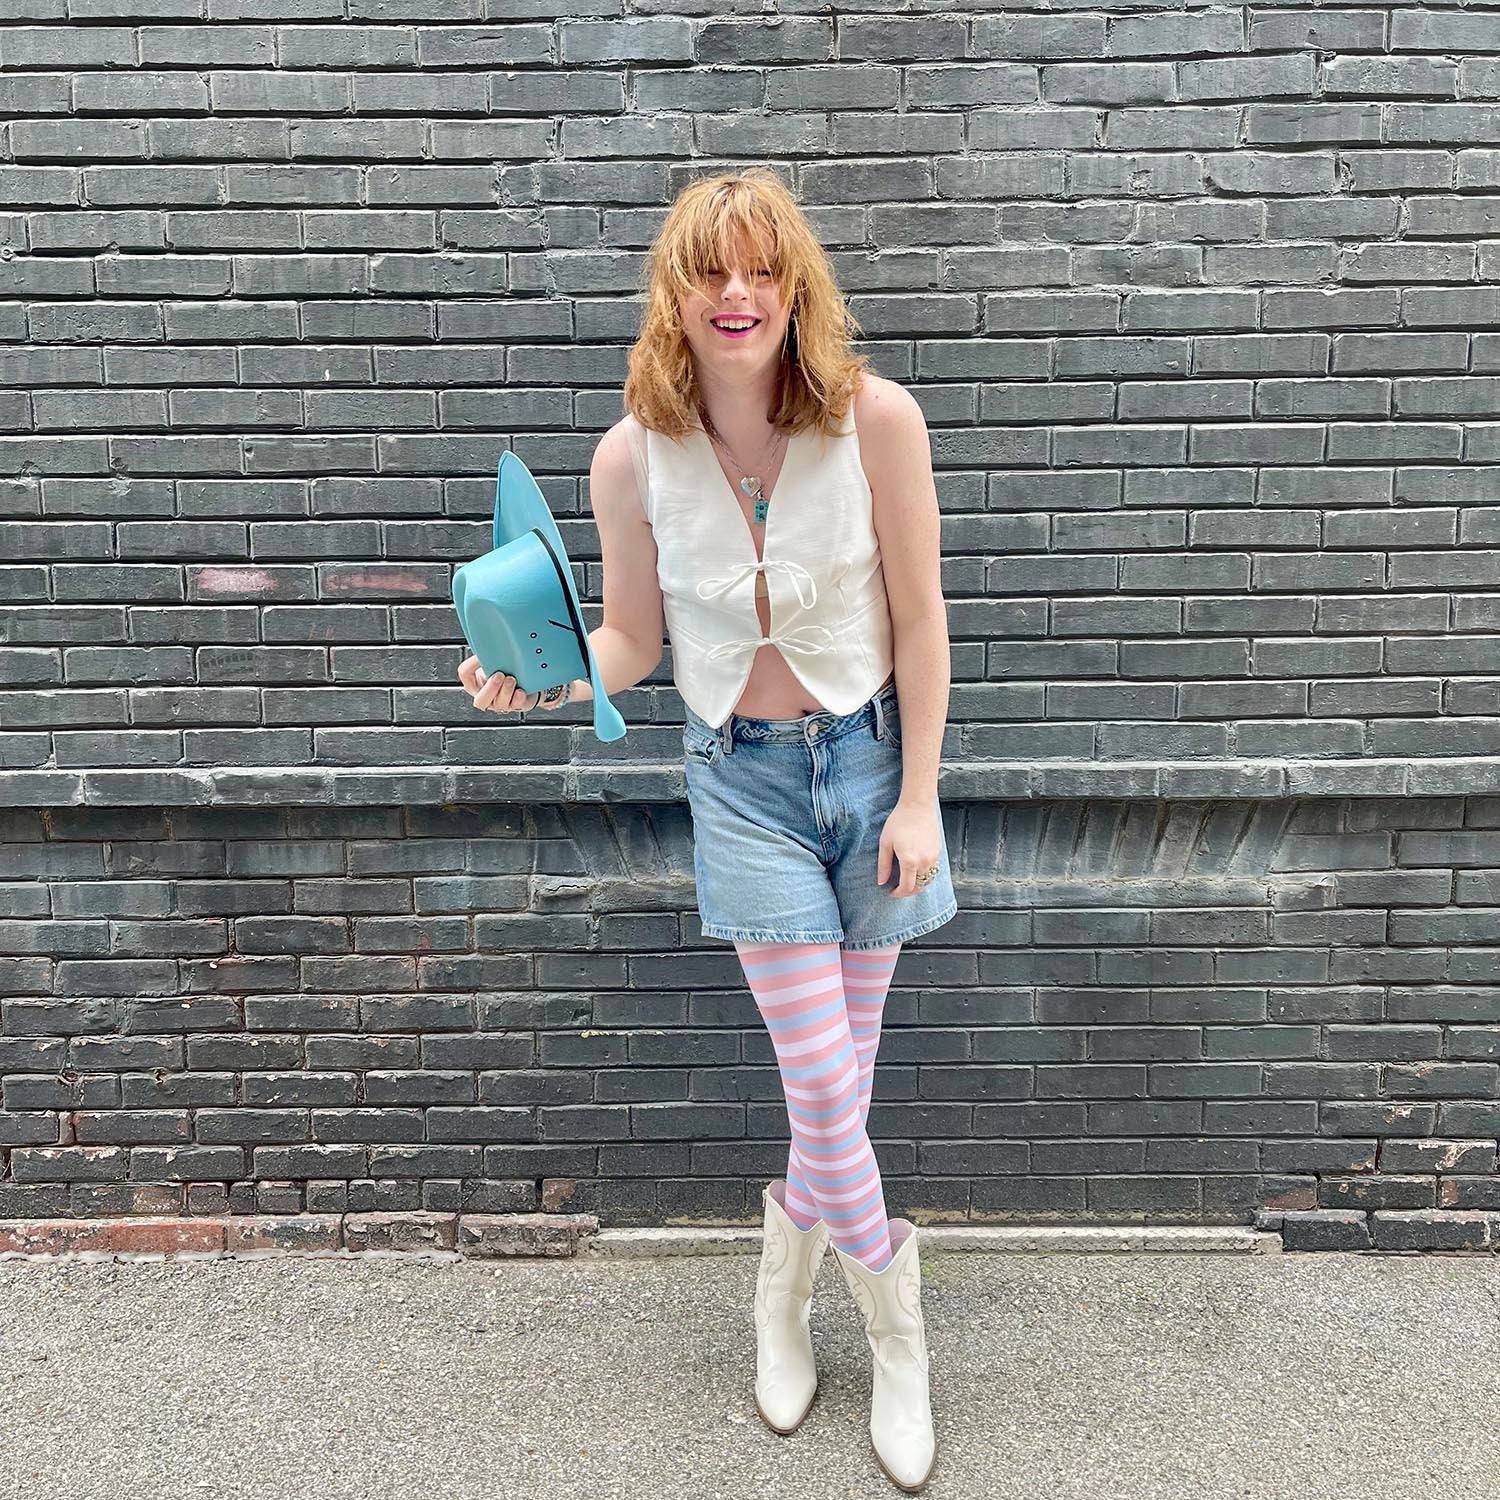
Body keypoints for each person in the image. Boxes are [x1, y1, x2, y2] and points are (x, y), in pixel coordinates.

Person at [457, 167, 953, 1493]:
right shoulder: (633, 455)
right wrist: (549, 679)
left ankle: (782, 1291)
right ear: (674, 293)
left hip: (871, 767)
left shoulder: (877, 422)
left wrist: (919, 796)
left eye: (762, 269)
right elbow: (631, 636)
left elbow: (921, 620)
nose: (737, 294)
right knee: (821, 1083)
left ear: (796, 289)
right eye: (710, 271)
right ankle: (898, 1337)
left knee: (840, 1085)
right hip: (740, 780)